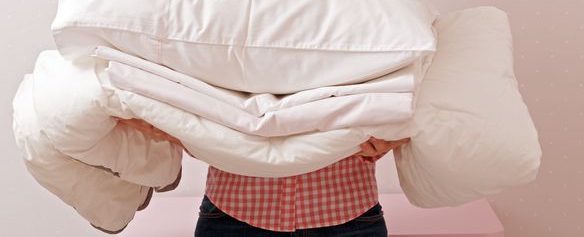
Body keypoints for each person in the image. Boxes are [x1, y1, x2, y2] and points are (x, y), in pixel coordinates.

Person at [117, 118, 410, 237]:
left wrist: (397, 135)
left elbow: (426, 95)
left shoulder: (362, 9)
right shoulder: (220, 10)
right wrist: (183, 131)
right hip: (232, 216)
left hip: (350, 217)